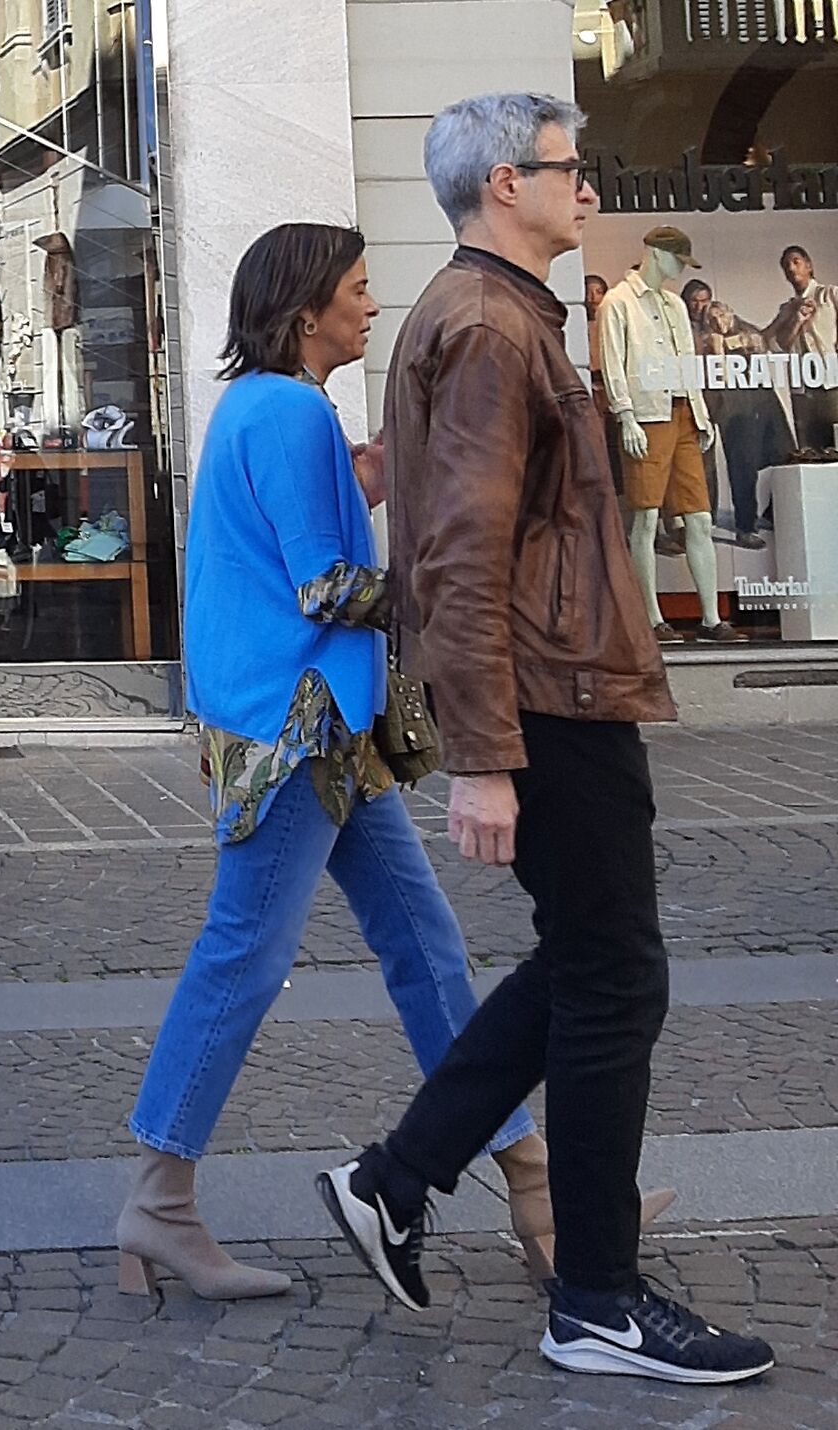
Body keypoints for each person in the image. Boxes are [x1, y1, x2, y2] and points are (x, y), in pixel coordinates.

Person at [316, 92, 773, 1385]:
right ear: (505, 182)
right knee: (616, 975)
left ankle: (397, 1178)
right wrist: (484, 753)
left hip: (563, 688)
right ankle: (596, 1299)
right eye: (573, 169)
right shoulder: (483, 324)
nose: (591, 190)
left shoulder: (503, 314)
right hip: (549, 699)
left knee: (591, 961)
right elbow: (462, 554)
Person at [119, 222, 551, 1302]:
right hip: (299, 728)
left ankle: (538, 1186)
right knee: (247, 957)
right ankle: (158, 1202)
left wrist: (373, 477)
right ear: (306, 309)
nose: (371, 304)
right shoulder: (288, 410)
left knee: (424, 943)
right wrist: (450, 590)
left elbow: (291, 553)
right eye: (357, 289)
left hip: (313, 726)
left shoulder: (264, 406)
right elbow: (322, 588)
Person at [703, 301, 793, 551]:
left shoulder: (747, 329)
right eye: (712, 318)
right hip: (733, 409)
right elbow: (717, 372)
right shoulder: (707, 340)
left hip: (763, 402)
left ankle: (775, 512)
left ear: (730, 313)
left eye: (721, 315)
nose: (718, 321)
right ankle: (746, 527)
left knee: (786, 455)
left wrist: (734, 343)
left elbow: (760, 342)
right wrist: (719, 349)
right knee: (743, 468)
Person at [767, 244, 836, 450]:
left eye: (796, 262)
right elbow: (778, 344)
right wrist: (796, 319)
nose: (791, 268)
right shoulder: (787, 309)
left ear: (809, 266)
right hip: (803, 388)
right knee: (810, 450)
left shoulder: (829, 294)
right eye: (786, 265)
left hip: (832, 383)